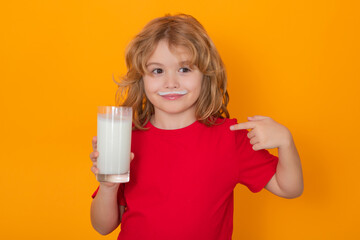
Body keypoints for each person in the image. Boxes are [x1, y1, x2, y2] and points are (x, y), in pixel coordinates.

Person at [89, 14, 303, 240]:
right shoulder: (127, 139)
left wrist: (285, 142)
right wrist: (108, 187)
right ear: (141, 78)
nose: (171, 82)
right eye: (157, 71)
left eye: (184, 69)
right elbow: (103, 227)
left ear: (206, 75)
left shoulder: (229, 138)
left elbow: (289, 187)